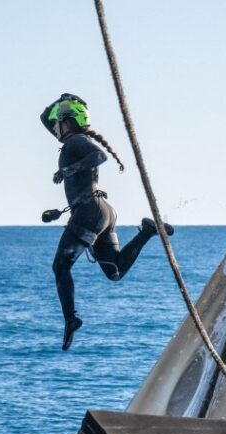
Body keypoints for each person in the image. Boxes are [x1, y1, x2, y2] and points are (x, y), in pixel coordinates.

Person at [40, 93, 173, 351]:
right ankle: (146, 232)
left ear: (68, 122)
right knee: (115, 271)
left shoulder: (77, 141)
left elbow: (99, 157)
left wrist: (66, 170)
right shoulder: (73, 138)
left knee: (60, 265)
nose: (54, 127)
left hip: (90, 210)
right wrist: (61, 99)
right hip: (102, 211)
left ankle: (71, 319)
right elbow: (45, 118)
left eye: (60, 122)